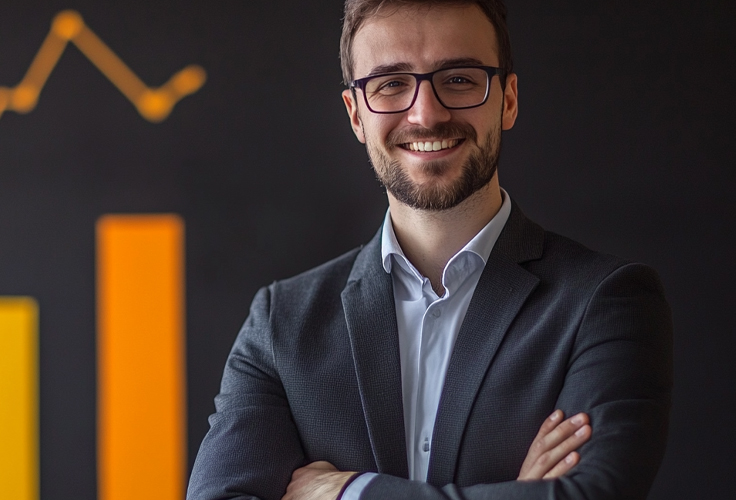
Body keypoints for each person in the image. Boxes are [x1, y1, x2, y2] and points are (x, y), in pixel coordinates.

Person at [187, 1, 672, 499]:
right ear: (356, 115)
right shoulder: (281, 323)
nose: (426, 114)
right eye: (391, 84)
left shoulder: (605, 302)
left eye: (459, 79)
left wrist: (351, 492)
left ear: (507, 99)